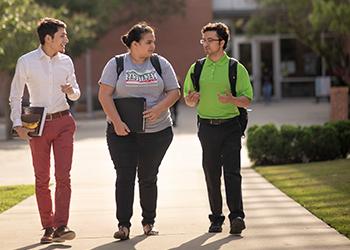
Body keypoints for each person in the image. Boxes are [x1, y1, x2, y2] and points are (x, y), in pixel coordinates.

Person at [98, 22, 180, 240]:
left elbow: (174, 92)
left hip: (157, 132)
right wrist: (116, 122)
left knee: (148, 177)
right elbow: (104, 95)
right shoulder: (116, 64)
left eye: (154, 41)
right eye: (148, 42)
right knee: (124, 176)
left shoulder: (160, 63)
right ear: (134, 44)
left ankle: (148, 222)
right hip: (122, 132)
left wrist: (158, 108)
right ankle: (123, 225)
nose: (153, 45)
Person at [9, 17, 80, 244]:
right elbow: (16, 95)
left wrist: (71, 91)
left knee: (63, 177)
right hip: (36, 123)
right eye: (62, 36)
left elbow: (76, 93)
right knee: (42, 179)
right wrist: (17, 124)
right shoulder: (26, 61)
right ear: (48, 38)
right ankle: (48, 227)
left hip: (64, 121)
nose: (66, 40)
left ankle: (61, 225)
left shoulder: (66, 61)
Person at [183, 22, 253, 235]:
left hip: (231, 126)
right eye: (203, 40)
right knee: (211, 173)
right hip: (207, 127)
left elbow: (247, 100)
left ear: (222, 42)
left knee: (232, 172)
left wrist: (231, 99)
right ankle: (216, 218)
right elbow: (188, 99)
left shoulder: (235, 67)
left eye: (210, 40)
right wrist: (191, 99)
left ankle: (237, 217)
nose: (205, 44)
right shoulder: (197, 67)